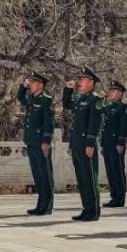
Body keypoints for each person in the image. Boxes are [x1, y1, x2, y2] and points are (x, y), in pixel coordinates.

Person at [63, 67, 103, 221]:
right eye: (79, 79)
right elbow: (67, 104)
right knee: (81, 179)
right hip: (77, 144)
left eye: (83, 80)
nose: (79, 82)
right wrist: (68, 89)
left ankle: (93, 211)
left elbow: (94, 123)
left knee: (89, 179)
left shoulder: (95, 99)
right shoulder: (80, 99)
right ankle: (86, 209)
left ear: (91, 82)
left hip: (87, 144)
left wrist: (90, 144)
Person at [18, 73, 56, 215]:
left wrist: (46, 141)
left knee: (45, 174)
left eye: (33, 82)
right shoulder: (32, 98)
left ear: (40, 85)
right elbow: (21, 98)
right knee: (37, 175)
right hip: (32, 141)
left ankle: (47, 206)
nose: (31, 85)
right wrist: (23, 86)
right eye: (30, 82)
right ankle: (40, 204)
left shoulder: (46, 100)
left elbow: (49, 123)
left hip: (41, 143)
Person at [100, 81, 127, 208]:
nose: (112, 93)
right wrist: (102, 144)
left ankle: (120, 198)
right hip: (107, 144)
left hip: (116, 144)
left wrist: (121, 142)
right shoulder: (107, 107)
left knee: (118, 170)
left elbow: (124, 126)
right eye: (111, 90)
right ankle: (114, 196)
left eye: (115, 91)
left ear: (120, 93)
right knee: (110, 171)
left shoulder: (124, 107)